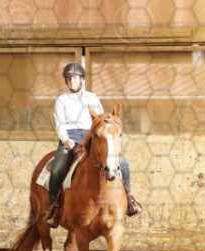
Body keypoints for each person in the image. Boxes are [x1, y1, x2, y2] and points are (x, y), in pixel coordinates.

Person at [44, 63, 142, 228]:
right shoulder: (61, 100)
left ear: (82, 79)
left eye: (74, 78)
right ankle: (54, 208)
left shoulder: (92, 98)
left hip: (92, 136)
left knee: (124, 163)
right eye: (68, 78)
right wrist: (66, 140)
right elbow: (60, 124)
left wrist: (99, 136)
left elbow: (101, 120)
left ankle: (129, 200)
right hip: (70, 138)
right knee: (57, 170)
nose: (71, 81)